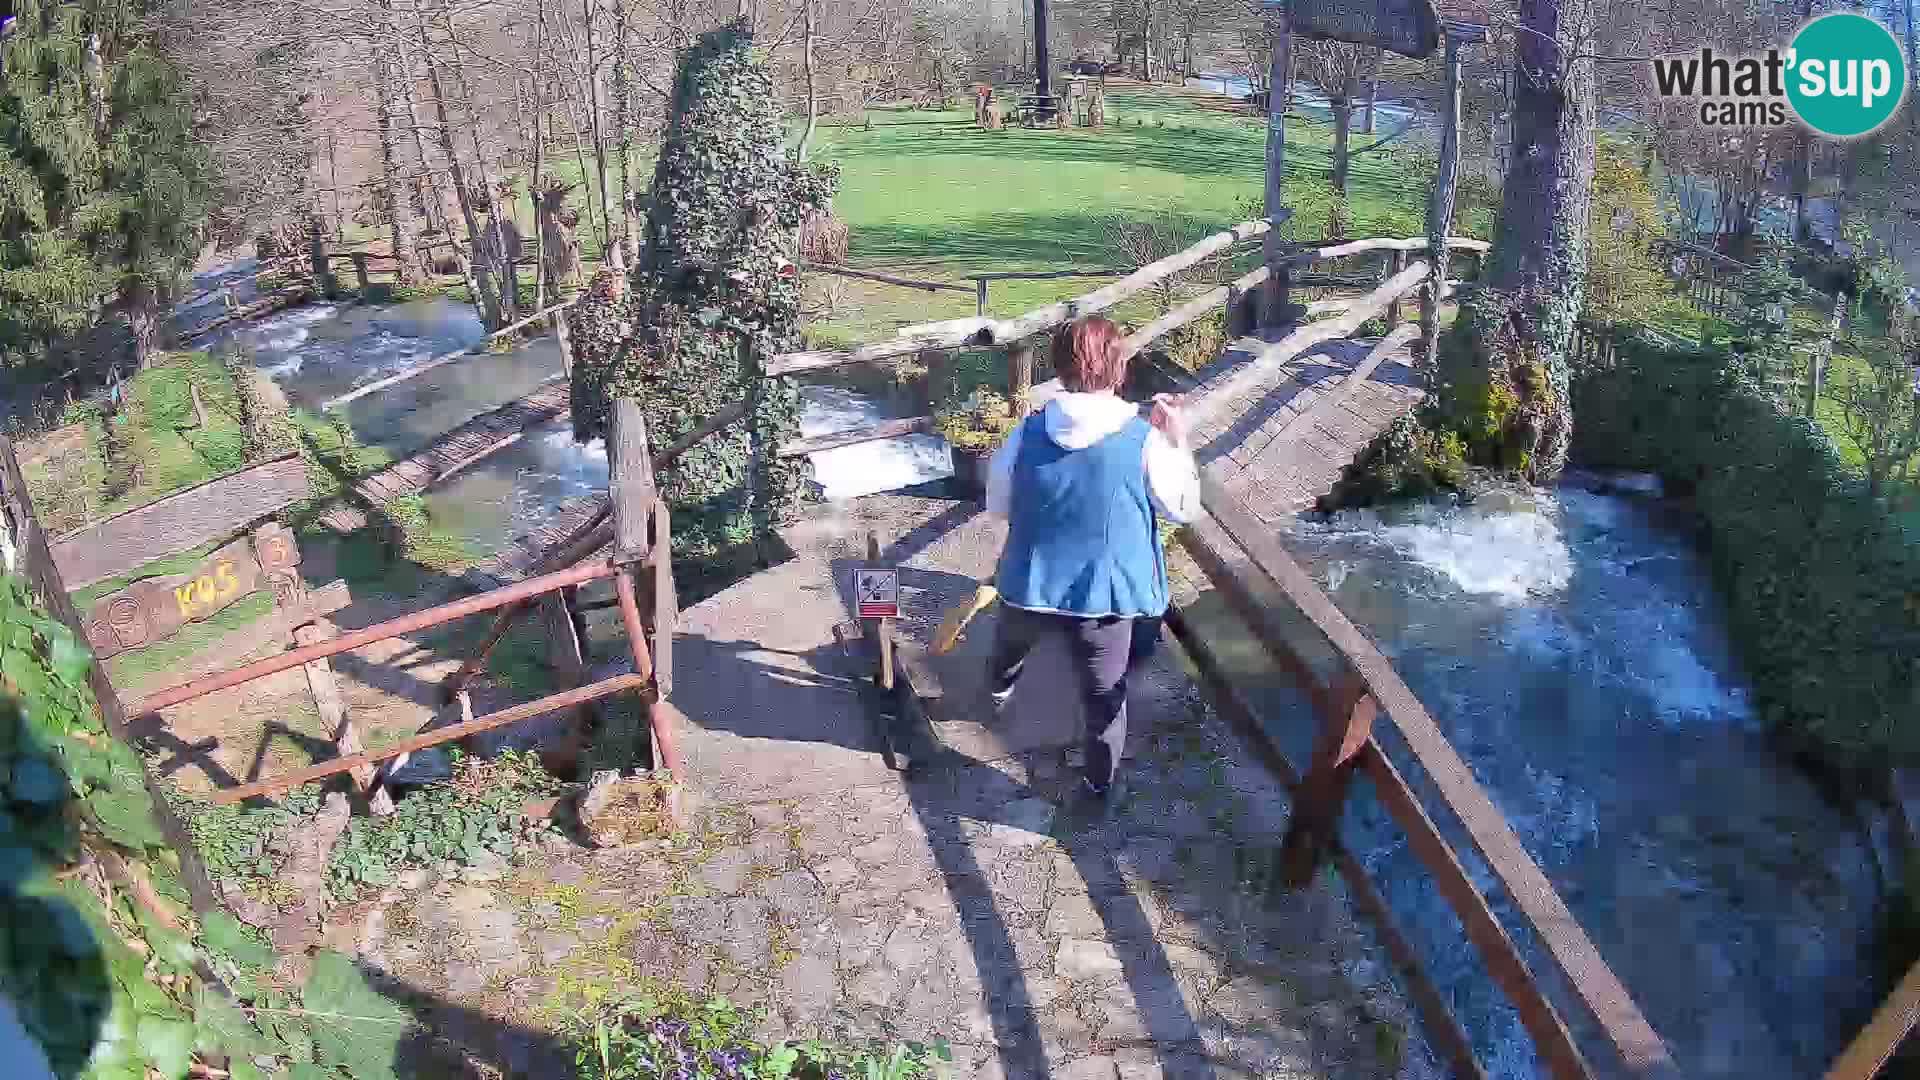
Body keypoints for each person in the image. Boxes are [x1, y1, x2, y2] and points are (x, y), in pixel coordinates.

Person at [984, 315, 1199, 800]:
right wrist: (1177, 439)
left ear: (1059, 369)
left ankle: (998, 693)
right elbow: (1183, 508)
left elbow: (998, 506)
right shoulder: (1142, 439)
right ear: (1119, 369)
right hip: (1103, 597)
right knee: (1105, 699)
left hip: (1031, 582)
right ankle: (1096, 785)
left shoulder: (1027, 432)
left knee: (1009, 647)